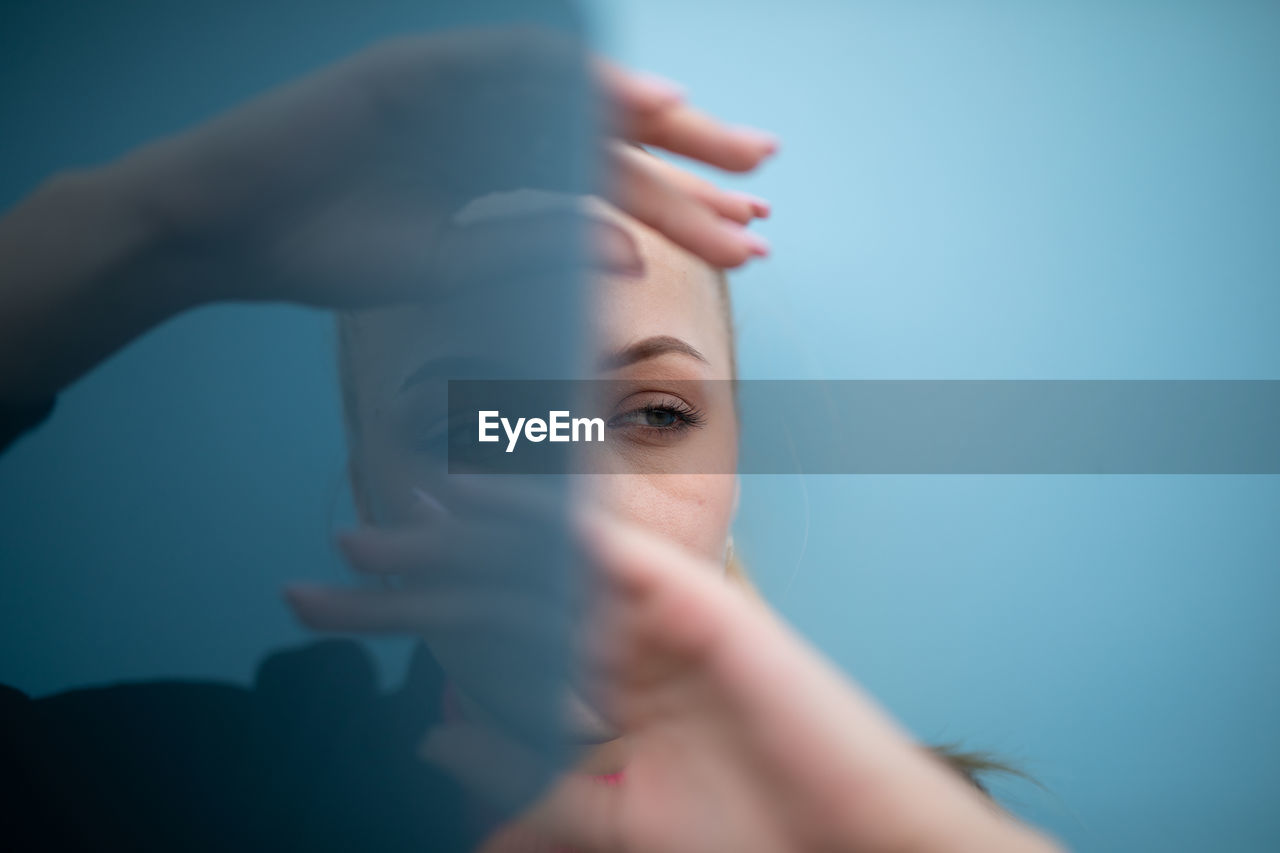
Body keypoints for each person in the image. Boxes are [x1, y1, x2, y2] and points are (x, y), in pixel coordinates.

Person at [0, 27, 1063, 853]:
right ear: (365, 478)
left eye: (653, 416)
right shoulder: (168, 803)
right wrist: (152, 234)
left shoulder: (900, 832)